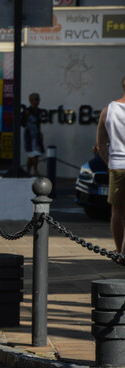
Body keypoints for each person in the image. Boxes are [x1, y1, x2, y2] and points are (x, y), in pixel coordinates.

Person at [95, 76, 125, 254]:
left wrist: (109, 162)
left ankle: (119, 251)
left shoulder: (108, 110)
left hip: (117, 165)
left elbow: (100, 144)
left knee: (117, 212)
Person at [21, 93, 44, 177]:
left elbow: (39, 124)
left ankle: (30, 171)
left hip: (36, 134)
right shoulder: (27, 111)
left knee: (36, 154)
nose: (37, 102)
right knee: (32, 153)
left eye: (38, 100)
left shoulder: (39, 111)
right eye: (36, 100)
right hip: (29, 135)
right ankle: (33, 171)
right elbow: (23, 123)